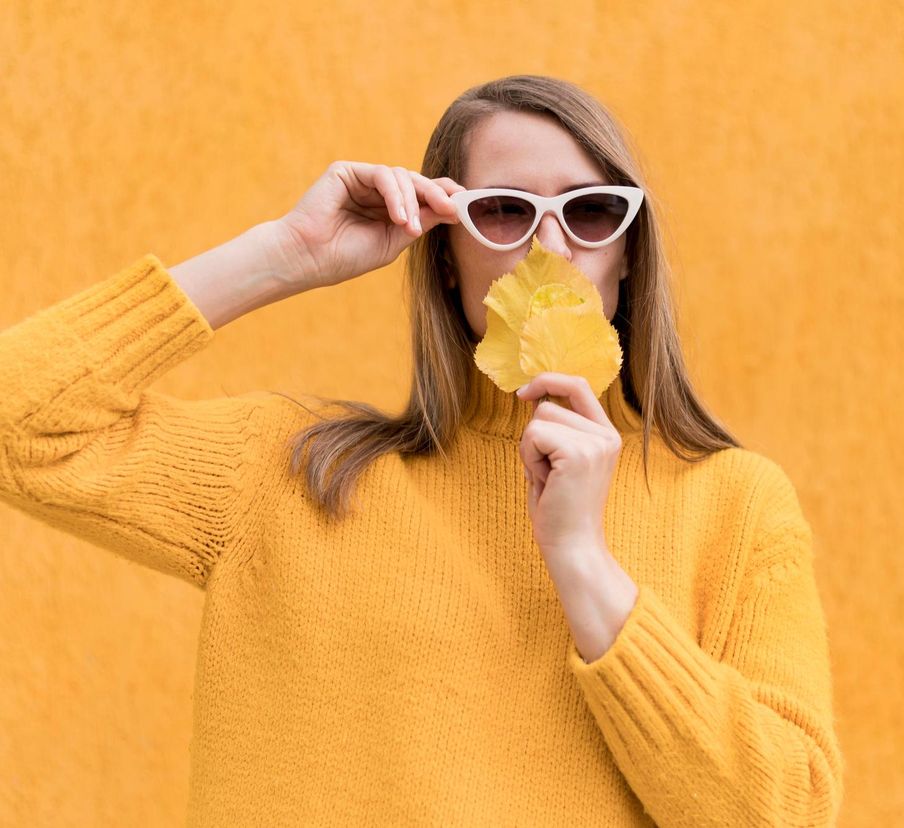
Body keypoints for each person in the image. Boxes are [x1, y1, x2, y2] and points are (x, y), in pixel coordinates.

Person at [0, 75, 844, 826]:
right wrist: (282, 256)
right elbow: (19, 424)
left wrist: (586, 563)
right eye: (505, 211)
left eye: (589, 211)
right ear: (445, 255)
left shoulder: (736, 505)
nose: (550, 248)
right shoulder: (289, 473)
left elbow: (785, 814)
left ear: (628, 250)